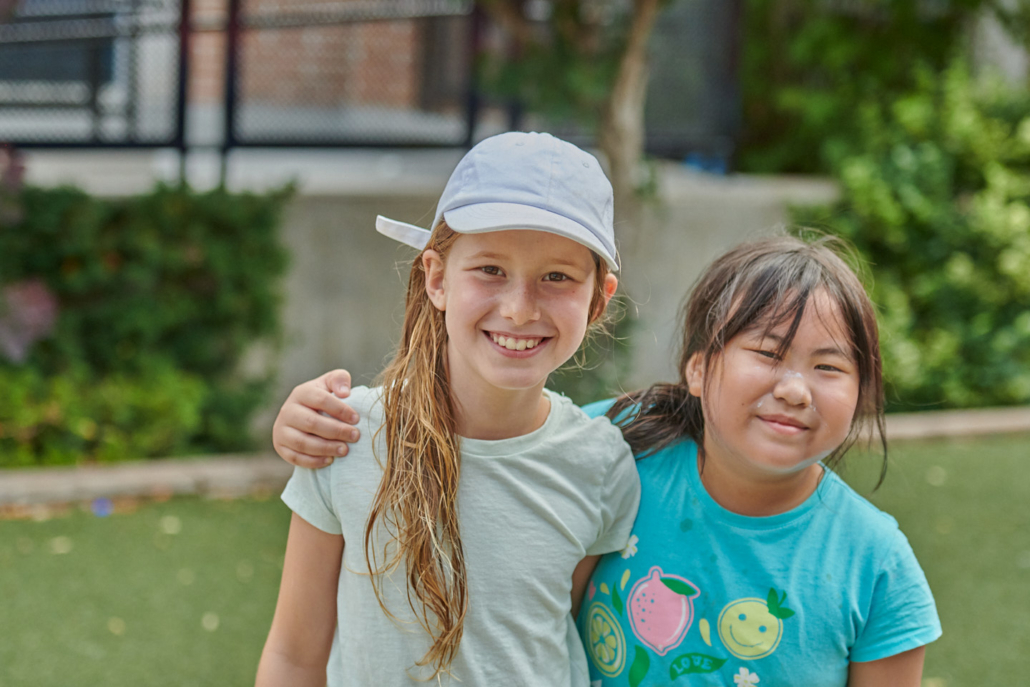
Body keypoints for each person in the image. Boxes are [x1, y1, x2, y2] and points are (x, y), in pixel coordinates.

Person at [271, 234, 943, 686]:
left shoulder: (877, 564)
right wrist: (315, 418)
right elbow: (478, 435)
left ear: (863, 391)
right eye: (767, 353)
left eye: (829, 367)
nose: (794, 389)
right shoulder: (608, 449)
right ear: (698, 369)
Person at [255, 131, 641, 687]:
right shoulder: (345, 435)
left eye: (557, 277)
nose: (518, 309)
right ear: (437, 278)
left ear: (598, 300)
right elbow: (294, 657)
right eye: (490, 270)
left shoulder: (601, 464)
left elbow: (564, 631)